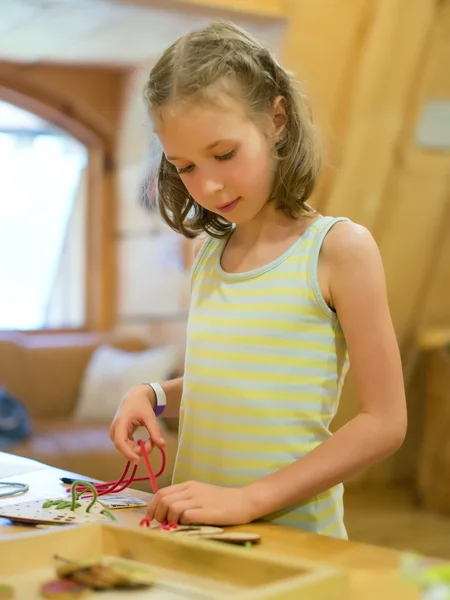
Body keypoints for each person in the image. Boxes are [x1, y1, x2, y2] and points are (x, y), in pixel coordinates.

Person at [110, 20, 407, 539]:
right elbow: (230, 385)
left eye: (224, 154)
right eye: (184, 167)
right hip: (199, 533)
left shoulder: (339, 249)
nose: (209, 184)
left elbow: (385, 422)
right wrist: (154, 392)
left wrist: (250, 499)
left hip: (295, 537)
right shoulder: (208, 254)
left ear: (277, 119)